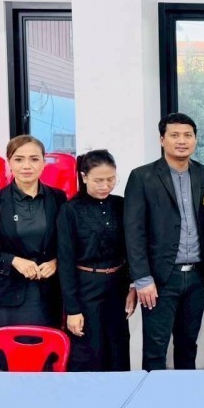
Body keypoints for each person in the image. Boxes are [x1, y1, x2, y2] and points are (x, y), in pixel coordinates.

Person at [124, 113, 204, 371]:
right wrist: (142, 278)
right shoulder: (142, 177)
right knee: (155, 349)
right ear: (162, 140)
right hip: (159, 279)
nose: (182, 141)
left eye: (188, 135)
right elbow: (133, 232)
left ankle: (185, 394)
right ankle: (152, 396)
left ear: (195, 139)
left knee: (188, 346)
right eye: (174, 135)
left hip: (197, 276)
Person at [0, 135, 67, 328]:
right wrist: (13, 260)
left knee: (48, 345)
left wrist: (56, 261)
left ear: (43, 163)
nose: (26, 166)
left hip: (49, 292)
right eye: (19, 159)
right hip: (7, 293)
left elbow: (67, 241)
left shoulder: (58, 198)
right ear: (10, 163)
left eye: (34, 159)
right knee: (11, 346)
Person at [57, 150, 137, 371]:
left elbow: (132, 248)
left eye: (111, 179)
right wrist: (72, 309)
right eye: (98, 180)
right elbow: (65, 261)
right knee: (89, 351)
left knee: (118, 347)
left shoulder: (121, 205)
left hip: (117, 285)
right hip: (86, 287)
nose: (105, 186)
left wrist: (133, 285)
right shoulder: (70, 210)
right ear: (84, 177)